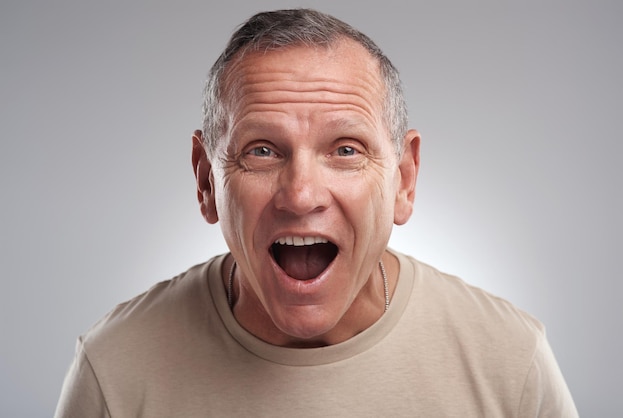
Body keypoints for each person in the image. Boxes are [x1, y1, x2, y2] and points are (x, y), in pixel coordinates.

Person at [55, 8, 578, 417]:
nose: (302, 195)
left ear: (404, 178)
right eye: (261, 150)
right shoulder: (114, 368)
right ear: (205, 180)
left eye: (346, 150)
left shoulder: (511, 360)